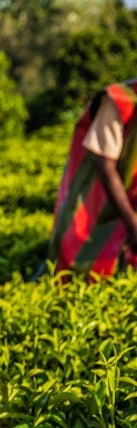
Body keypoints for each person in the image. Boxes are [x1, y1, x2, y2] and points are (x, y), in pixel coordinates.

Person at [50, 78, 137, 278]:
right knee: (83, 270)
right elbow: (105, 166)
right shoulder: (119, 100)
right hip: (101, 203)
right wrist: (132, 225)